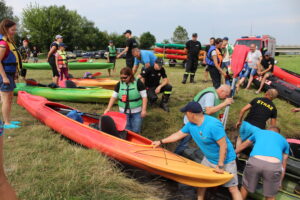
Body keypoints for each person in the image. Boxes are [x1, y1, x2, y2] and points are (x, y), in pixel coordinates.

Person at [152, 102, 242, 200]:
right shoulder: (190, 125)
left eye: (186, 113)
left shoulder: (213, 124)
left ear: (191, 114)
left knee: (232, 189)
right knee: (201, 183)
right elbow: (177, 135)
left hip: (226, 160)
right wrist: (160, 141)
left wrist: (220, 165)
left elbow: (223, 145)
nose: (185, 115)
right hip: (208, 159)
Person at [175, 85, 234, 155]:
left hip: (197, 121)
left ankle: (181, 151)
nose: (225, 97)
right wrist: (224, 103)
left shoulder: (214, 93)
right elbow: (208, 111)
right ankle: (176, 156)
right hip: (192, 122)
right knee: (184, 142)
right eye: (226, 95)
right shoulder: (211, 95)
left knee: (186, 141)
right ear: (222, 91)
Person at [235, 125, 289, 200]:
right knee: (270, 195)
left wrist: (233, 153)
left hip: (255, 162)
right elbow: (283, 166)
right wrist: (280, 182)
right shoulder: (284, 141)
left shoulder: (260, 132)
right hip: (273, 166)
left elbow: (244, 145)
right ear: (278, 134)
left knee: (245, 187)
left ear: (268, 129)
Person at [104, 67, 147, 133]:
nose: (123, 79)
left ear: (130, 76)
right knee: (126, 130)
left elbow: (144, 97)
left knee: (136, 130)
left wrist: (143, 110)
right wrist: (108, 108)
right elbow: (113, 97)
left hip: (136, 112)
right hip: (123, 112)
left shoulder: (138, 83)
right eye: (121, 78)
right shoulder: (119, 84)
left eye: (125, 77)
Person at [0, 19, 22, 129]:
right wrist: (4, 77)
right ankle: (6, 123)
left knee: (9, 99)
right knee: (5, 99)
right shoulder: (3, 44)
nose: (14, 31)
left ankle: (8, 120)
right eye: (12, 29)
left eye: (15, 29)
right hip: (4, 75)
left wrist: (15, 74)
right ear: (6, 29)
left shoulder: (9, 42)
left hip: (10, 74)